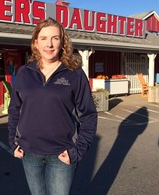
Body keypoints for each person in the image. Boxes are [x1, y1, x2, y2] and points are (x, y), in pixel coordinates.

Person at [8, 18, 98, 195]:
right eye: (43, 38)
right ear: (35, 42)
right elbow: (14, 111)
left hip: (61, 154)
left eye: (55, 38)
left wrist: (77, 150)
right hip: (29, 153)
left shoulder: (74, 74)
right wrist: (13, 142)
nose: (49, 44)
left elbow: (88, 115)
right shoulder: (24, 73)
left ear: (62, 42)